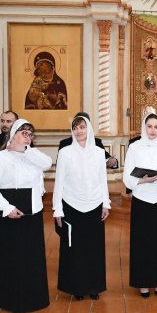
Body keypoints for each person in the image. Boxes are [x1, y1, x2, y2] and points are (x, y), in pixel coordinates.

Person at [0, 119, 53, 313]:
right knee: (12, 260)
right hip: (10, 216)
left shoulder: (31, 155)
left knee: (31, 259)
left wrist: (26, 150)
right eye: (24, 133)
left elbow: (47, 163)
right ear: (13, 134)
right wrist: (6, 208)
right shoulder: (0, 158)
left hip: (32, 215)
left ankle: (34, 298)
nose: (28, 137)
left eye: (30, 134)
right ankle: (9, 300)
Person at [53, 115, 111, 301]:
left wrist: (106, 202)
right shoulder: (65, 152)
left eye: (82, 127)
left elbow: (102, 180)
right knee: (74, 250)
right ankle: (76, 288)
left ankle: (94, 287)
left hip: (94, 205)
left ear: (89, 129)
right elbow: (59, 182)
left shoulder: (99, 152)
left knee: (94, 249)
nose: (78, 131)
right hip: (71, 205)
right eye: (75, 127)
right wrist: (57, 209)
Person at [123, 110, 157, 298]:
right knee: (142, 244)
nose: (153, 130)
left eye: (156, 127)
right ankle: (143, 284)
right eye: (149, 126)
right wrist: (143, 180)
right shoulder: (134, 147)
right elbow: (127, 178)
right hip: (142, 200)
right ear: (143, 127)